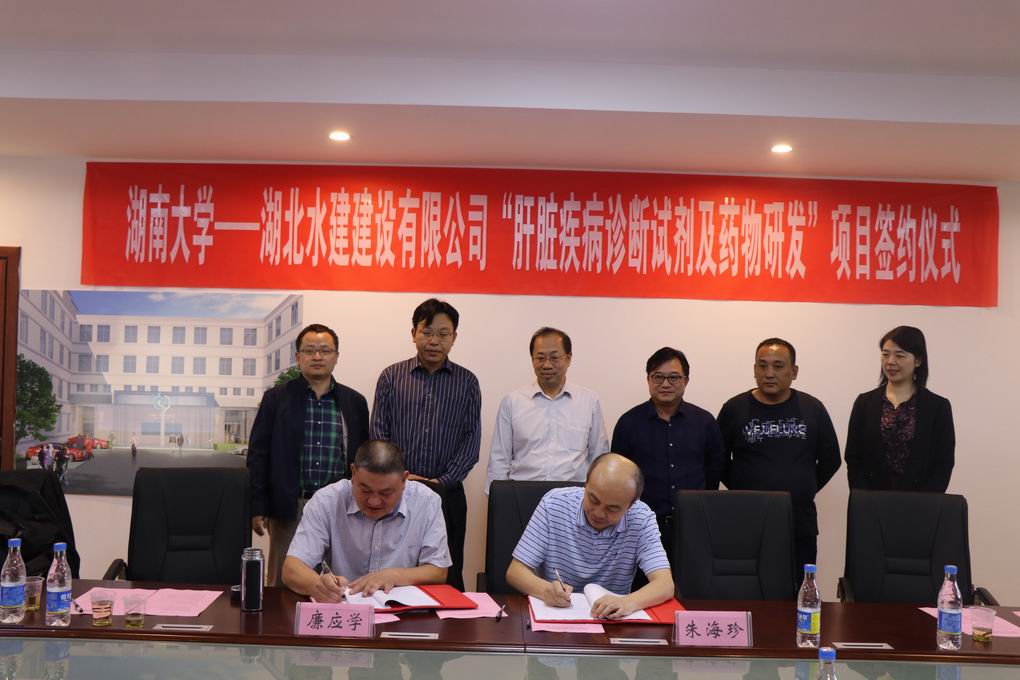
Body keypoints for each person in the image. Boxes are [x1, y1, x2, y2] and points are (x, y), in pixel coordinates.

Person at [370, 298, 481, 591]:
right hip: (396, 492)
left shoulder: (468, 382)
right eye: (426, 332)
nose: (434, 341)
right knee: (394, 567)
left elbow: (471, 440)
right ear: (413, 333)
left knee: (448, 573)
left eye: (443, 334)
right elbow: (379, 434)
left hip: (448, 494)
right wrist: (401, 479)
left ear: (454, 337)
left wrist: (440, 483)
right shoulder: (391, 377)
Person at [248, 323, 370, 586]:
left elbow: (363, 457)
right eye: (309, 350)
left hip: (339, 507)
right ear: (298, 357)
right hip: (291, 507)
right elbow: (258, 455)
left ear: (336, 356)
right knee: (284, 582)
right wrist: (258, 506)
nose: (317, 356)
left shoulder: (354, 402)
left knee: (339, 582)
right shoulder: (276, 399)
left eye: (325, 350)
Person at [717, 338, 841, 571]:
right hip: (747, 520)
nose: (769, 373)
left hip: (798, 523)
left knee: (798, 588)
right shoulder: (734, 408)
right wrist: (743, 487)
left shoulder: (812, 408)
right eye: (762, 365)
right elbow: (717, 460)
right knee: (747, 586)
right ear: (754, 369)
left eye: (778, 366)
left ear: (794, 371)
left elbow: (831, 459)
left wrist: (804, 486)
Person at [506, 453, 673, 619]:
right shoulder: (553, 504)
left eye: (612, 508)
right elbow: (515, 572)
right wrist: (545, 590)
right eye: (593, 499)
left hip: (611, 621)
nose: (599, 513)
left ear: (631, 505)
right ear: (586, 484)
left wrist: (628, 602)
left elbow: (665, 584)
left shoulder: (641, 518)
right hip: (556, 616)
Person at [282, 440, 450, 602]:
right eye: (366, 490)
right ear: (353, 473)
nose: (374, 501)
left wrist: (395, 575)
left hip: (402, 611)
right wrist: (317, 585)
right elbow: (291, 569)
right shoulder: (327, 501)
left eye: (385, 493)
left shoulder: (427, 502)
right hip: (343, 608)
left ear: (404, 480)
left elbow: (438, 571)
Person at [611, 347, 724, 566]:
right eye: (658, 377)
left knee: (692, 583)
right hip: (642, 527)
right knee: (645, 585)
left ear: (686, 380)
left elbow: (715, 469)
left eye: (673, 377)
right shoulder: (628, 423)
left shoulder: (704, 422)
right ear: (648, 379)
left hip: (694, 525)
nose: (665, 384)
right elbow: (619, 476)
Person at [486, 327, 609, 489]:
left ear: (568, 359)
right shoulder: (512, 402)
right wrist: (496, 497)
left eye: (554, 357)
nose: (547, 365)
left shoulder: (589, 401)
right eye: (540, 358)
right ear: (532, 360)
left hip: (573, 495)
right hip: (522, 493)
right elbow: (499, 458)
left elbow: (599, 457)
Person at [845, 326, 955, 491]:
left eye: (899, 355)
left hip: (921, 499)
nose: (890, 361)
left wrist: (927, 500)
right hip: (870, 498)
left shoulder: (938, 407)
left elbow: (943, 462)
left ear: (918, 360)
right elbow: (853, 457)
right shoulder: (864, 402)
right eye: (885, 354)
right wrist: (863, 496)